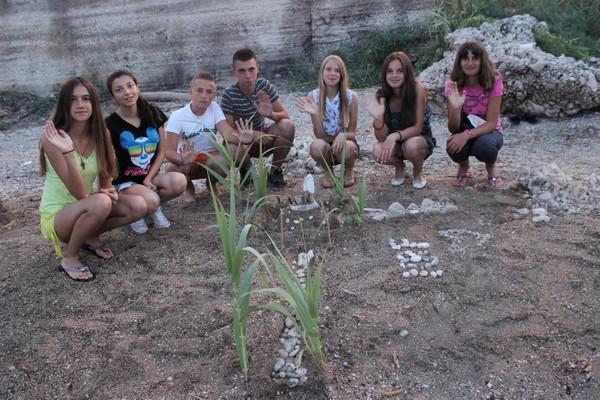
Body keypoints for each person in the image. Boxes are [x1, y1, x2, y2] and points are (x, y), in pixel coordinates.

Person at [39, 77, 146, 281]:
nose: (80, 104)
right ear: (64, 104)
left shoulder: (101, 133)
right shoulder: (53, 138)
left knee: (138, 206)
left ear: (93, 102)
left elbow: (105, 181)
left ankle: (88, 235)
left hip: (88, 206)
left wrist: (110, 192)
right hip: (58, 216)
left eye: (86, 98)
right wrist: (68, 153)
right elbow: (79, 194)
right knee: (100, 202)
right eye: (73, 100)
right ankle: (70, 256)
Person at [106, 70, 187, 234]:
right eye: (119, 90)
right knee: (151, 199)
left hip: (149, 176)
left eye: (130, 86)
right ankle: (139, 209)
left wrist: (149, 178)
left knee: (179, 181)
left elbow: (162, 150)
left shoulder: (152, 113)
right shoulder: (109, 124)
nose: (127, 92)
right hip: (125, 181)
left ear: (137, 87)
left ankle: (152, 206)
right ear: (113, 96)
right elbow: (106, 158)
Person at [165, 72, 252, 201]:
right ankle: (189, 187)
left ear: (214, 95)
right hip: (189, 160)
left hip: (211, 158)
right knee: (171, 168)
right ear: (190, 93)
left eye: (209, 92)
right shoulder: (177, 116)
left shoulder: (214, 108)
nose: (204, 96)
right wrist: (182, 159)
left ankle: (211, 184)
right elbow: (169, 151)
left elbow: (227, 133)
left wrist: (242, 138)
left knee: (227, 156)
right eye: (199, 91)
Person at [220, 48, 295, 187]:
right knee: (230, 146)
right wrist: (253, 134)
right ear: (234, 72)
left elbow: (285, 115)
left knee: (287, 125)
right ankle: (247, 172)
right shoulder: (229, 95)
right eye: (242, 71)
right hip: (242, 140)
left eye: (251, 69)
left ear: (258, 68)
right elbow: (227, 132)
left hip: (263, 137)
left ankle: (275, 172)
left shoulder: (264, 85)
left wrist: (271, 114)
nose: (248, 75)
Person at [366, 51, 435, 189]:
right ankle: (399, 167)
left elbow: (418, 128)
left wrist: (394, 136)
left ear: (407, 72)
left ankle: (417, 171)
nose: (394, 75)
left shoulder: (418, 89)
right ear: (384, 74)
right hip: (396, 145)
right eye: (390, 71)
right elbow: (381, 138)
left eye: (399, 71)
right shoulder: (381, 95)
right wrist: (378, 119)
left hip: (419, 140)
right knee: (377, 150)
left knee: (411, 146)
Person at [445, 40, 504, 187]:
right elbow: (453, 128)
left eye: (475, 58)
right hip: (464, 127)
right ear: (459, 61)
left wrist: (466, 135)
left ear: (482, 60)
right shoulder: (453, 85)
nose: (470, 63)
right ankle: (464, 166)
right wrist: (456, 109)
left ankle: (490, 167)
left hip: (489, 130)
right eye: (465, 58)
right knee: (452, 146)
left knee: (485, 146)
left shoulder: (494, 81)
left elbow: (492, 123)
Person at [295, 55, 358, 188]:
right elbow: (319, 136)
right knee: (315, 146)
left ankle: (349, 170)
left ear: (342, 74)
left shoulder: (351, 97)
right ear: (322, 72)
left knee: (349, 147)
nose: (332, 73)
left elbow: (352, 133)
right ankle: (328, 172)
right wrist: (315, 114)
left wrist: (342, 135)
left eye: (337, 70)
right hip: (326, 145)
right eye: (328, 69)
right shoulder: (313, 96)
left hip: (345, 145)